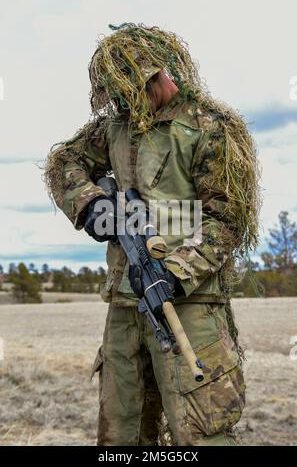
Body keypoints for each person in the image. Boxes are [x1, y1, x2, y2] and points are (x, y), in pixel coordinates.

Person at [44, 23, 260, 446]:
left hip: (189, 307)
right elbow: (63, 161)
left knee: (201, 435)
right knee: (120, 436)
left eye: (129, 92)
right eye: (116, 97)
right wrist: (91, 204)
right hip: (125, 308)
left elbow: (227, 219)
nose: (123, 104)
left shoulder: (209, 127)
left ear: (158, 76)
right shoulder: (114, 128)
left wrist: (176, 272)